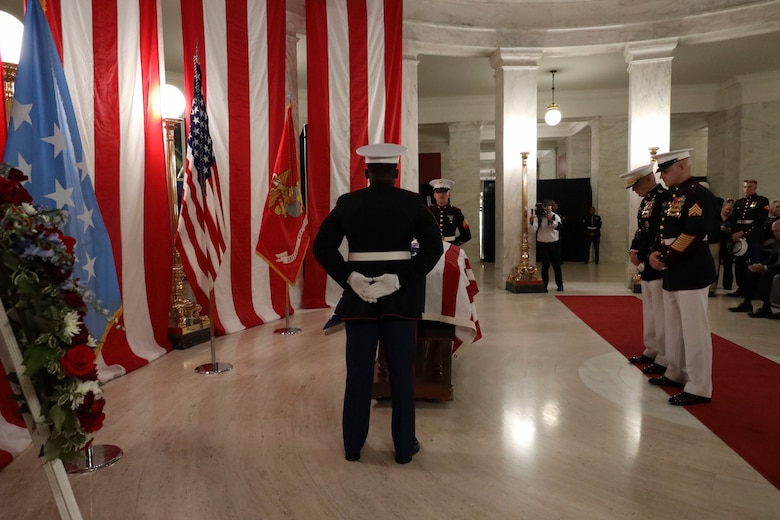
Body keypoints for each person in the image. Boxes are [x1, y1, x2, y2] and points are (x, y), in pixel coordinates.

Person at [313, 143, 444, 464]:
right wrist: (399, 279)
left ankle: (353, 446)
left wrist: (350, 277)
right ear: (397, 173)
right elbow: (433, 248)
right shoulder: (413, 203)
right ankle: (402, 448)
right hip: (400, 298)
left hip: (359, 300)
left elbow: (322, 247)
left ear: (367, 172)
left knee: (358, 373)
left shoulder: (348, 203)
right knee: (401, 373)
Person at [648, 150, 716, 406]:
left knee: (694, 330)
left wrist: (666, 255)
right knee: (675, 326)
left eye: (666, 171)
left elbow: (692, 233)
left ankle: (699, 387)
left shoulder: (698, 195)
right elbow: (664, 229)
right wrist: (656, 252)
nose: (663, 176)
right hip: (673, 266)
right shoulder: (674, 196)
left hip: (690, 268)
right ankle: (676, 371)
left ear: (682, 166)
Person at [620, 163, 669, 375]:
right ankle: (651, 349)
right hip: (645, 262)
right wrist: (633, 249)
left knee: (660, 311)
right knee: (649, 309)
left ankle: (664, 355)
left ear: (649, 178)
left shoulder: (662, 198)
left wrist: (641, 254)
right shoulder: (646, 201)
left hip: (655, 260)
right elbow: (641, 230)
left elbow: (657, 232)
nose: (634, 190)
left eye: (636, 184)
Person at [728, 220, 780, 318]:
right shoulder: (778, 242)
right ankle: (747, 303)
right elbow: (771, 259)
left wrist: (764, 267)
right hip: (774, 267)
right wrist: (759, 264)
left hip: (776, 269)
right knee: (750, 271)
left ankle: (766, 307)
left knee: (767, 274)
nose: (775, 233)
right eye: (774, 231)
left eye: (777, 231)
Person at [728, 179, 770, 297]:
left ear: (755, 188)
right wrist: (734, 233)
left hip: (754, 238)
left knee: (754, 264)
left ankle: (754, 291)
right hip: (740, 239)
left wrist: (744, 232)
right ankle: (741, 288)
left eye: (750, 187)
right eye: (745, 187)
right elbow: (733, 219)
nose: (747, 189)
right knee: (739, 265)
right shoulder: (739, 202)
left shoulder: (762, 201)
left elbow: (760, 220)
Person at [530, 200, 564, 291]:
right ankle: (544, 285)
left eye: (548, 206)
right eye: (545, 206)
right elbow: (533, 230)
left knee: (556, 266)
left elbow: (560, 227)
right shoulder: (539, 217)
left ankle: (560, 284)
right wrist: (532, 222)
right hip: (543, 244)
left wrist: (551, 220)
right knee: (545, 265)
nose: (546, 209)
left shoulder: (555, 216)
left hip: (554, 243)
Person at [428, 178, 471, 246]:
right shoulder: (428, 211)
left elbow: (466, 235)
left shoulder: (456, 212)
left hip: (450, 248)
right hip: (431, 247)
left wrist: (454, 244)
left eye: (444, 192)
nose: (441, 195)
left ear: (449, 195)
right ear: (434, 195)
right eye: (438, 192)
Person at [699, 182, 724, 297]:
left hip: (712, 236)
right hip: (698, 238)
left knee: (714, 262)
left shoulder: (718, 201)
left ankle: (712, 288)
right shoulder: (694, 200)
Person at [719, 199, 735, 292]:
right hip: (718, 242)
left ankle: (728, 285)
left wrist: (727, 230)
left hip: (728, 244)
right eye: (726, 209)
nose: (727, 211)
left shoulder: (732, 219)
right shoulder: (717, 217)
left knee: (728, 265)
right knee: (716, 264)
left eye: (730, 210)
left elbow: (733, 230)